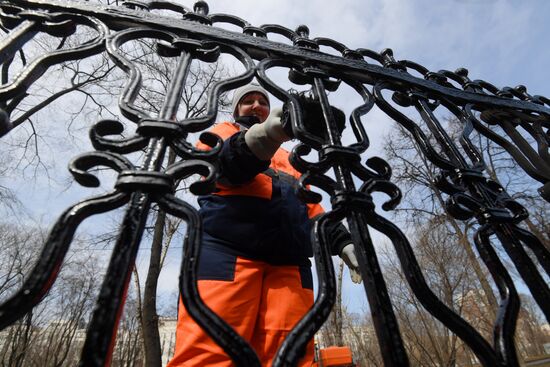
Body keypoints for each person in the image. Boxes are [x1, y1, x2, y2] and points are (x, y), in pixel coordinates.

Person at [167, 84, 361, 367]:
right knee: (210, 351)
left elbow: (311, 209)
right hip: (226, 254)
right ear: (236, 110)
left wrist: (343, 243)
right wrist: (268, 133)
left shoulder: (290, 158)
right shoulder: (221, 133)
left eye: (262, 101)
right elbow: (225, 165)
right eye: (248, 101)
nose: (256, 105)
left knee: (290, 355)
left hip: (290, 264)